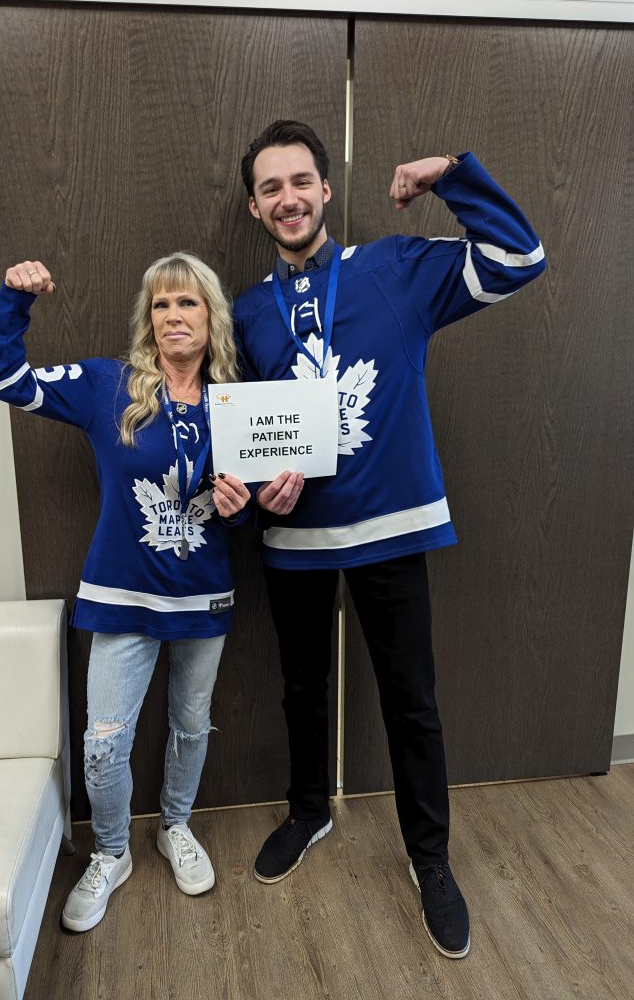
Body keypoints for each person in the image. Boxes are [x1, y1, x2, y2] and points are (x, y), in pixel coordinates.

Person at [233, 120, 546, 959]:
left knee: (412, 703)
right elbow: (237, 428)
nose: (287, 199)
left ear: (325, 190)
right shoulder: (248, 309)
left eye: (300, 181)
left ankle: (430, 859)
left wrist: (451, 173)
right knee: (301, 688)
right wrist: (259, 478)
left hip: (390, 531)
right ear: (255, 206)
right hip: (293, 541)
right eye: (270, 188)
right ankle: (308, 812)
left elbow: (520, 259)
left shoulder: (397, 267)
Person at [0, 253, 250, 933]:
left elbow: (254, 505)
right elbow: (7, 381)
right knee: (104, 742)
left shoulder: (238, 402)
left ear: (210, 315)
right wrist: (15, 302)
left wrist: (238, 505)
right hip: (121, 593)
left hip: (203, 594)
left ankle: (175, 826)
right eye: (160, 304)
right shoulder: (111, 385)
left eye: (187, 303)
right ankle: (110, 853)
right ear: (148, 318)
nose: (173, 316)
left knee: (192, 726)